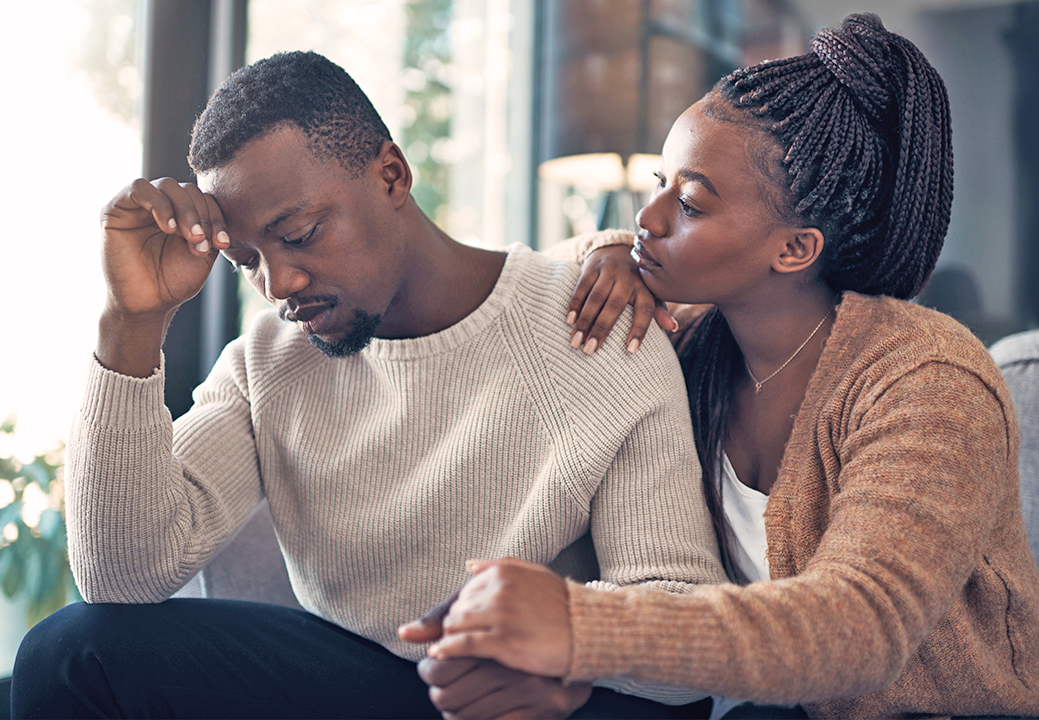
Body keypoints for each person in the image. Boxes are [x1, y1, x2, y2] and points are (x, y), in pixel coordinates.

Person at [10, 51, 728, 719]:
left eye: (300, 233)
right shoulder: (268, 360)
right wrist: (131, 322)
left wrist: (564, 655)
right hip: (366, 680)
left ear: (392, 174)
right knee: (70, 653)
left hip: (535, 696)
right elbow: (121, 577)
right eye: (247, 259)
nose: (278, 284)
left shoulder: (593, 324)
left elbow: (682, 635)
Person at [401, 14, 1039, 719]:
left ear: (794, 250)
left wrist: (580, 628)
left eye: (689, 203)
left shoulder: (925, 378)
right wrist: (604, 254)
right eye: (658, 181)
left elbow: (861, 627)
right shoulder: (690, 346)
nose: (649, 218)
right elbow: (538, 276)